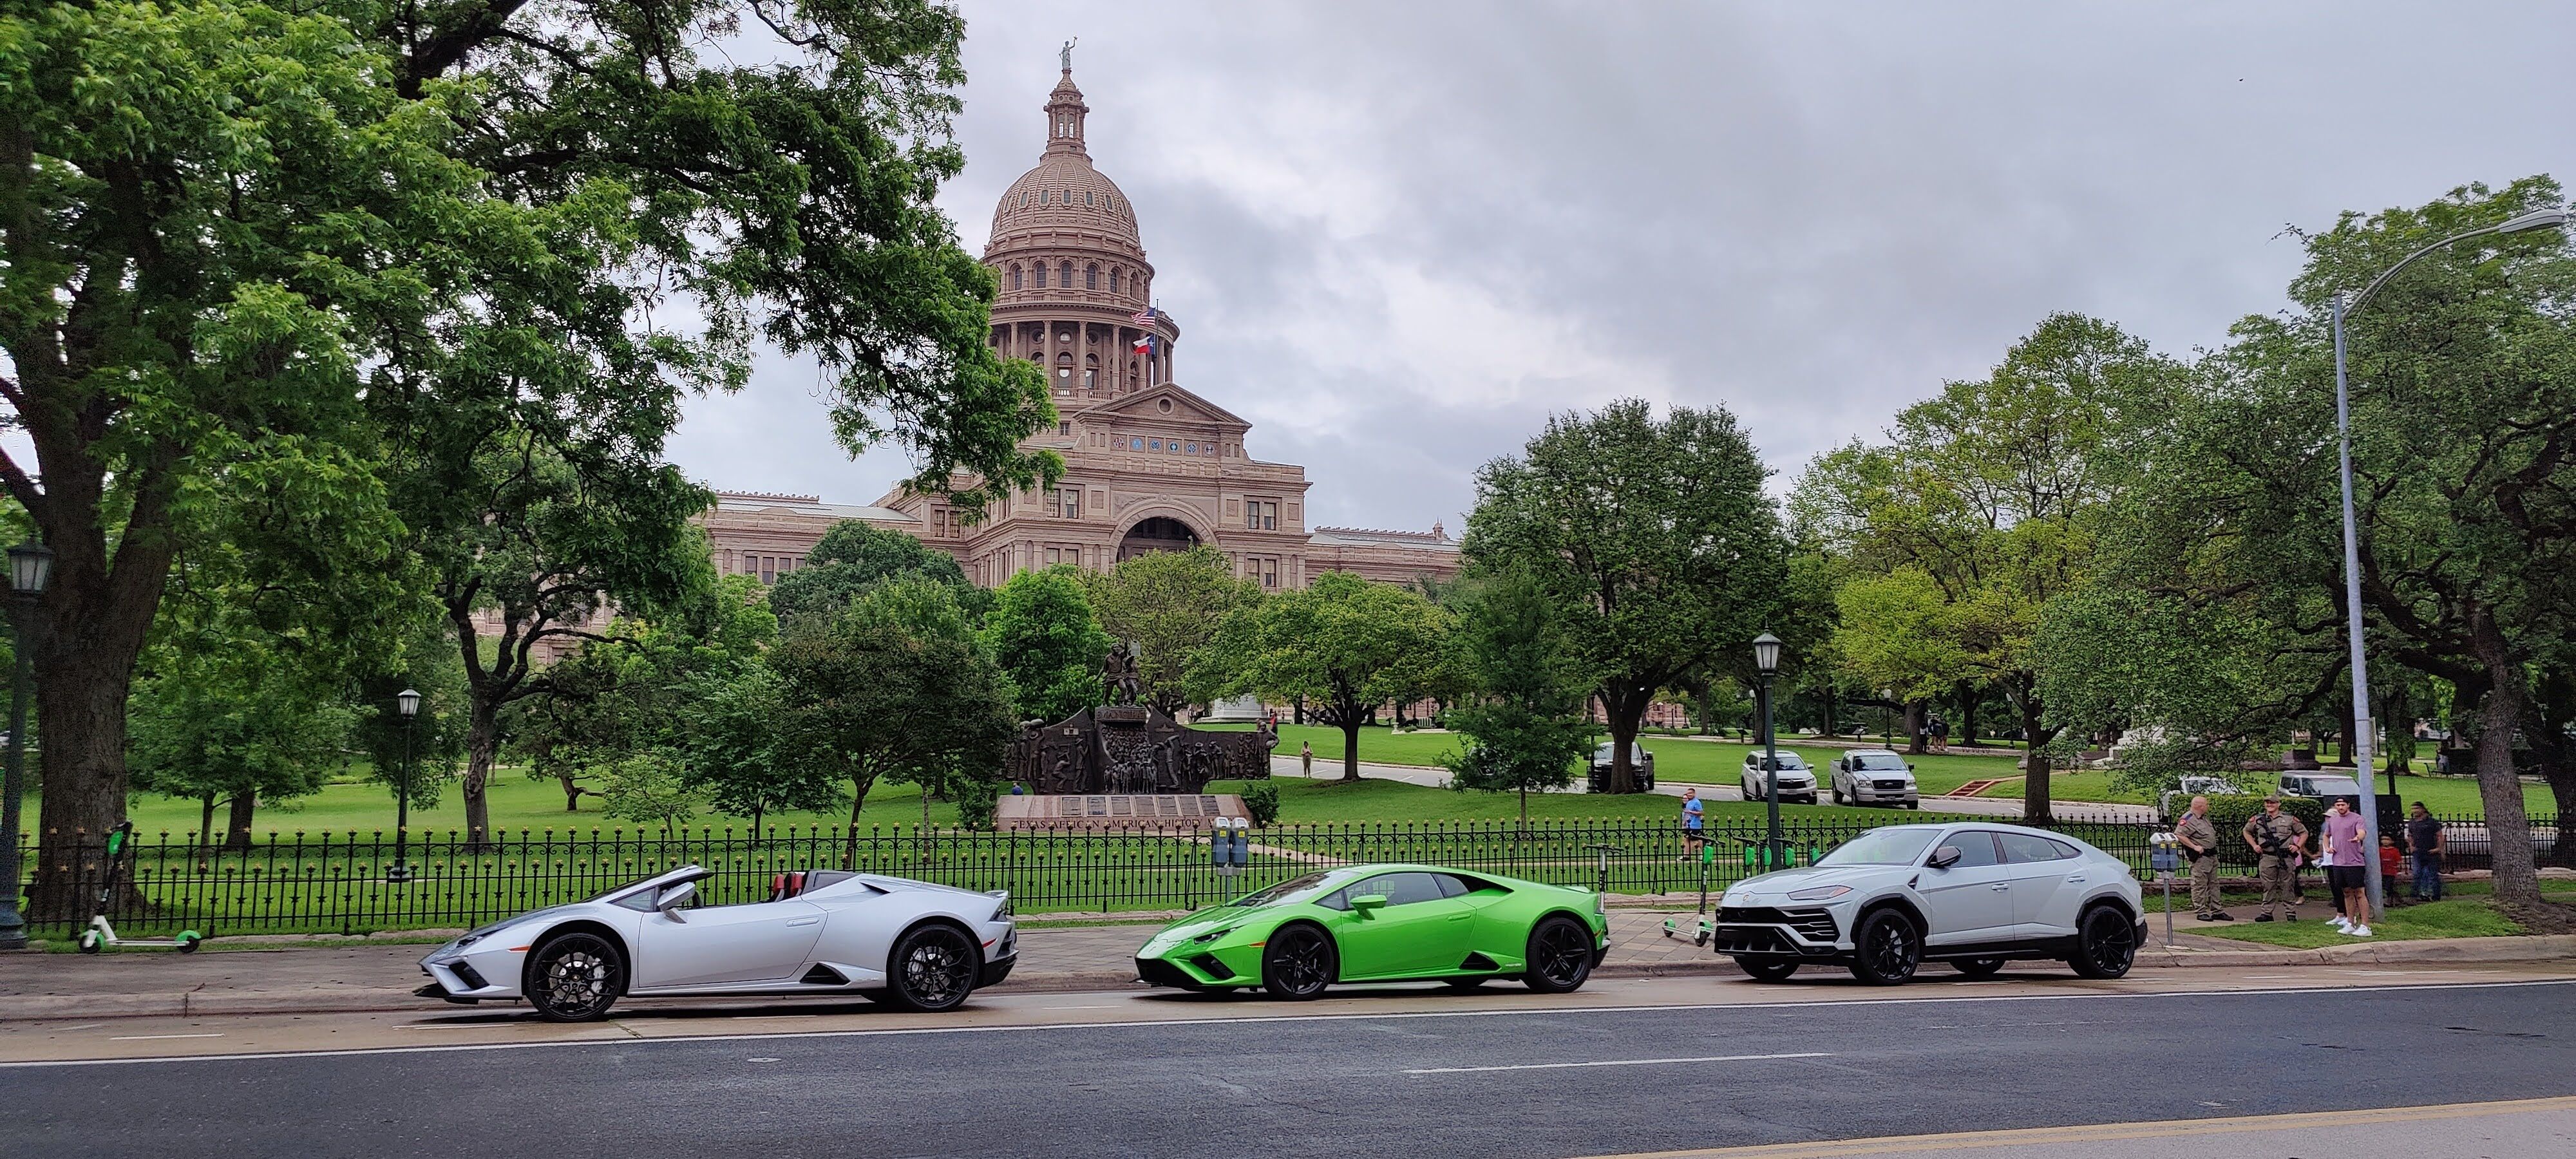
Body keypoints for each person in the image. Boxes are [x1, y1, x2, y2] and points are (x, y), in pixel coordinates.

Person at [2242, 795, 2310, 923]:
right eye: (2267, 803)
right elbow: (2246, 831)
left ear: (2279, 804)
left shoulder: (2289, 819)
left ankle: (2290, 913)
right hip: (2267, 857)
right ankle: (2266, 913)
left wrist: (2298, 846)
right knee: (2268, 886)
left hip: (2286, 857)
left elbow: (2304, 832)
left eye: (2272, 803)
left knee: (2288, 885)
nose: (2269, 805)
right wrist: (2254, 845)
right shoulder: (2258, 819)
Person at [2319, 797, 2371, 937]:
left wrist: (2358, 837)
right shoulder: (2333, 820)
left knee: (2359, 892)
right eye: (2338, 805)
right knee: (2346, 892)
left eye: (2343, 805)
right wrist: (2327, 847)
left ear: (2348, 805)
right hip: (2338, 862)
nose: (2340, 807)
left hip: (2354, 863)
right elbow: (2326, 835)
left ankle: (2365, 925)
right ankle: (2350, 922)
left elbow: (2362, 832)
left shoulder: (2357, 818)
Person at [2174, 795, 2229, 921]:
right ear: (2200, 806)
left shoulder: (2203, 819)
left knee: (2214, 884)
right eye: (2206, 804)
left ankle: (2217, 910)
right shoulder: (2188, 819)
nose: (2208, 807)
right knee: (2199, 884)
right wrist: (2194, 847)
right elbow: (2179, 835)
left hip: (2211, 856)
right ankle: (2201, 910)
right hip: (2200, 858)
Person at [2407, 802, 2445, 900]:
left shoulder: (2432, 822)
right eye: (2413, 809)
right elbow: (2410, 836)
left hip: (2431, 852)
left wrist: (2439, 849)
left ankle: (2436, 896)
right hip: (2418, 852)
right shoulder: (2412, 823)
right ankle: (2416, 895)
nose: (2414, 811)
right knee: (2417, 874)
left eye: (2417, 808)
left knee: (2433, 876)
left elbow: (2440, 836)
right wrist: (2411, 846)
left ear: (2423, 809)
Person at [1679, 787, 1706, 860]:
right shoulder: (1689, 802)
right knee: (1687, 839)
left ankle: (1688, 855)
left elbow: (1701, 812)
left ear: (1694, 793)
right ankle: (1687, 855)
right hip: (1689, 825)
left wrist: (1691, 812)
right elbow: (1687, 814)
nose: (1689, 795)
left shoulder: (1697, 802)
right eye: (1688, 794)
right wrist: (1684, 823)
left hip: (1695, 825)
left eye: (1690, 793)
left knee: (1694, 840)